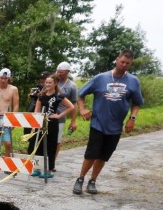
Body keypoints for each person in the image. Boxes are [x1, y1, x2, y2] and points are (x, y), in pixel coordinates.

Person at [72, 50, 144, 195]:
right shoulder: (101, 78)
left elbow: (137, 103)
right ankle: (80, 179)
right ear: (117, 60)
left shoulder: (133, 81)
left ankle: (92, 181)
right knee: (91, 154)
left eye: (127, 64)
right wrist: (82, 109)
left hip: (116, 126)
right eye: (122, 62)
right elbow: (81, 94)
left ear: (131, 64)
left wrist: (132, 118)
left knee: (103, 156)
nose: (124, 65)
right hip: (98, 123)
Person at [32, 74, 76, 178]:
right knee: (38, 145)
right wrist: (34, 124)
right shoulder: (41, 95)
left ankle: (49, 170)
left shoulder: (59, 96)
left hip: (52, 124)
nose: (47, 84)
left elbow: (71, 106)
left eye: (50, 82)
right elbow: (36, 111)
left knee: (51, 146)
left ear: (55, 83)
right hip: (40, 123)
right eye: (46, 82)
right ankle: (37, 168)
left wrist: (59, 115)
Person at [55, 61, 78, 166]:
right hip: (49, 115)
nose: (59, 74)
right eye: (58, 72)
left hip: (61, 116)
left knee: (57, 140)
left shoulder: (72, 86)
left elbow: (74, 104)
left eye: (62, 72)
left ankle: (52, 161)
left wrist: (73, 121)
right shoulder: (53, 82)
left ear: (67, 72)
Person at [25, 71, 51, 156]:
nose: (42, 80)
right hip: (33, 113)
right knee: (31, 136)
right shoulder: (36, 87)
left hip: (45, 115)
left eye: (44, 78)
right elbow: (32, 95)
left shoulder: (52, 90)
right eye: (41, 78)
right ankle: (31, 154)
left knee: (42, 138)